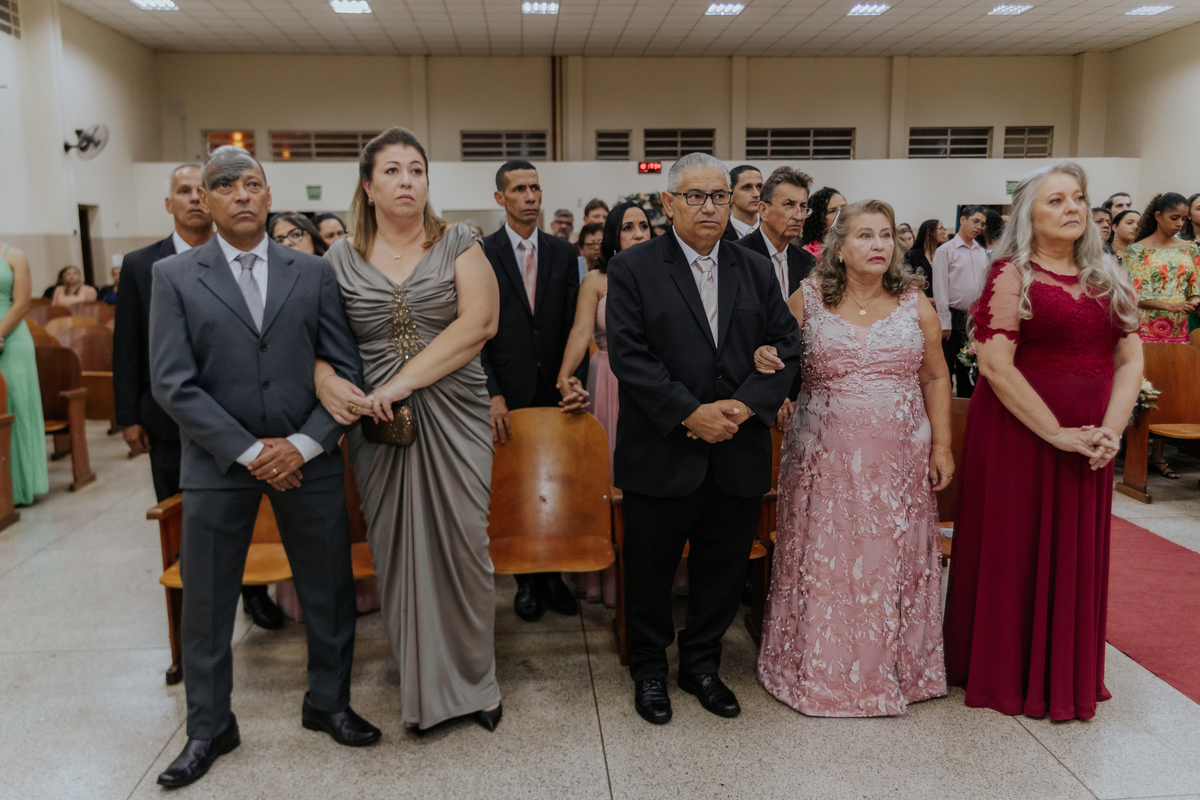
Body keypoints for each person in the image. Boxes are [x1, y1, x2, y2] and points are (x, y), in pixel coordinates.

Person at [150, 147, 378, 789]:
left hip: (308, 457)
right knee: (208, 600)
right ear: (206, 200)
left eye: (252, 183)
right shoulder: (175, 277)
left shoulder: (312, 272)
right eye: (225, 186)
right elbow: (173, 383)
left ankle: (328, 702)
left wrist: (302, 445)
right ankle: (208, 725)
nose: (240, 194)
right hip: (219, 463)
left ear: (269, 193)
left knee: (329, 587)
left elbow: (343, 368)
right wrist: (253, 452)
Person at [316, 127, 504, 733]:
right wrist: (327, 382)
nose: (407, 181)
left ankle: (477, 684)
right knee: (397, 549)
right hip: (376, 422)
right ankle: (423, 690)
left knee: (464, 544)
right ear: (368, 186)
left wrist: (402, 382)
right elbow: (315, 341)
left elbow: (479, 324)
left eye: (417, 170)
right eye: (392, 171)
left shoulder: (460, 242)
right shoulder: (337, 257)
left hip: (453, 408)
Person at [943, 162, 1143, 722]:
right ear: (1029, 213)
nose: (1072, 208)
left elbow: (1130, 359)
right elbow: (996, 366)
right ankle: (1006, 667)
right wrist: (1056, 433)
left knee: (1073, 548)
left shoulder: (1108, 273)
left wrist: (1111, 430)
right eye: (1055, 200)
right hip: (1020, 432)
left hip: (1092, 435)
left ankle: (1064, 669)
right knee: (1016, 545)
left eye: (1077, 198)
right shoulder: (1012, 273)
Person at [606, 153, 799, 726]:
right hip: (663, 449)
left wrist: (740, 407)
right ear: (668, 203)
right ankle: (647, 669)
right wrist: (691, 413)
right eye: (696, 196)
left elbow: (786, 347)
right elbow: (630, 357)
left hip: (737, 447)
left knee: (721, 568)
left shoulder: (755, 269)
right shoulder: (633, 268)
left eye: (719, 196)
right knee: (650, 569)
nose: (710, 206)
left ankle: (702, 666)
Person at [753, 198, 951, 717]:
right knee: (828, 562)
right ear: (838, 247)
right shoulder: (809, 298)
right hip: (825, 459)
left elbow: (934, 375)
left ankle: (897, 671)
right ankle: (817, 672)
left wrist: (944, 445)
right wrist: (770, 370)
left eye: (886, 235)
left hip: (898, 461)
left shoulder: (914, 301)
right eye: (865, 235)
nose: (879, 245)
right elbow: (771, 354)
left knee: (890, 560)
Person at [114, 162, 284, 631]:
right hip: (170, 424)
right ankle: (193, 613)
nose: (193, 198)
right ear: (170, 203)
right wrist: (129, 414)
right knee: (186, 529)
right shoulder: (142, 265)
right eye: (183, 191)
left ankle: (254, 594)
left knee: (251, 518)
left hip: (244, 421)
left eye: (198, 189)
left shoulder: (247, 255)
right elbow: (127, 345)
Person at [481, 160, 587, 623]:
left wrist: (572, 377)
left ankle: (554, 575)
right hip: (507, 389)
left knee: (559, 483)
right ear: (500, 198)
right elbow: (475, 331)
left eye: (535, 187)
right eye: (519, 189)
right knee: (517, 486)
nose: (530, 196)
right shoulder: (481, 253)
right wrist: (491, 393)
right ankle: (525, 581)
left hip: (555, 389)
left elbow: (572, 326)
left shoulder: (564, 253)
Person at [558, 202, 653, 606]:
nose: (637, 233)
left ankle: (654, 573)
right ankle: (608, 580)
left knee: (652, 481)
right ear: (613, 235)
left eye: (644, 226)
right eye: (628, 227)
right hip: (607, 381)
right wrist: (564, 378)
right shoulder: (597, 280)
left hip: (652, 383)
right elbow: (582, 331)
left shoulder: (663, 274)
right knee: (610, 478)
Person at [1123, 192, 1199, 480]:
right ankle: (1136, 455)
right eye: (1174, 218)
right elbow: (1134, 295)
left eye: (1183, 218)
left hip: (1179, 330)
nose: (1180, 223)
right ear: (1157, 216)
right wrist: (1170, 305)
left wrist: (1193, 302)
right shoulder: (1138, 250)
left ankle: (1158, 456)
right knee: (1144, 390)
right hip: (1145, 329)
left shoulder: (1190, 249)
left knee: (1170, 389)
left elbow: (1194, 286)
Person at [734, 166, 816, 427]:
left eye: (803, 206)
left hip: (797, 392)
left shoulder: (808, 263)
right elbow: (734, 332)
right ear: (763, 210)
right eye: (789, 204)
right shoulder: (735, 257)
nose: (799, 214)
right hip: (746, 386)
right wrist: (770, 391)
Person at [0, 242, 48, 505]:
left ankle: (19, 487)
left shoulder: (14, 256)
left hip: (12, 337)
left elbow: (21, 304)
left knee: (14, 405)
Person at [932, 205, 988, 398]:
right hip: (955, 314)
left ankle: (969, 404)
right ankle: (952, 407)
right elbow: (940, 288)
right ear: (962, 220)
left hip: (976, 316)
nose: (979, 227)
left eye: (982, 224)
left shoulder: (981, 251)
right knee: (952, 364)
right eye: (975, 221)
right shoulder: (946, 251)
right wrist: (944, 320)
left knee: (973, 364)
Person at [799, 187, 846, 259]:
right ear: (819, 219)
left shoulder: (855, 244)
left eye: (844, 208)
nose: (841, 214)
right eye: (832, 211)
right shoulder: (807, 254)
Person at [906, 219, 947, 299]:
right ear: (929, 231)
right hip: (920, 302)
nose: (944, 232)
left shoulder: (944, 254)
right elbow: (907, 283)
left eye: (944, 229)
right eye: (940, 228)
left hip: (942, 303)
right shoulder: (911, 256)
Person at [722, 164, 762, 240]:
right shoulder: (718, 236)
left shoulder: (775, 232)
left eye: (759, 187)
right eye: (747, 187)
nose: (756, 194)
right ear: (730, 195)